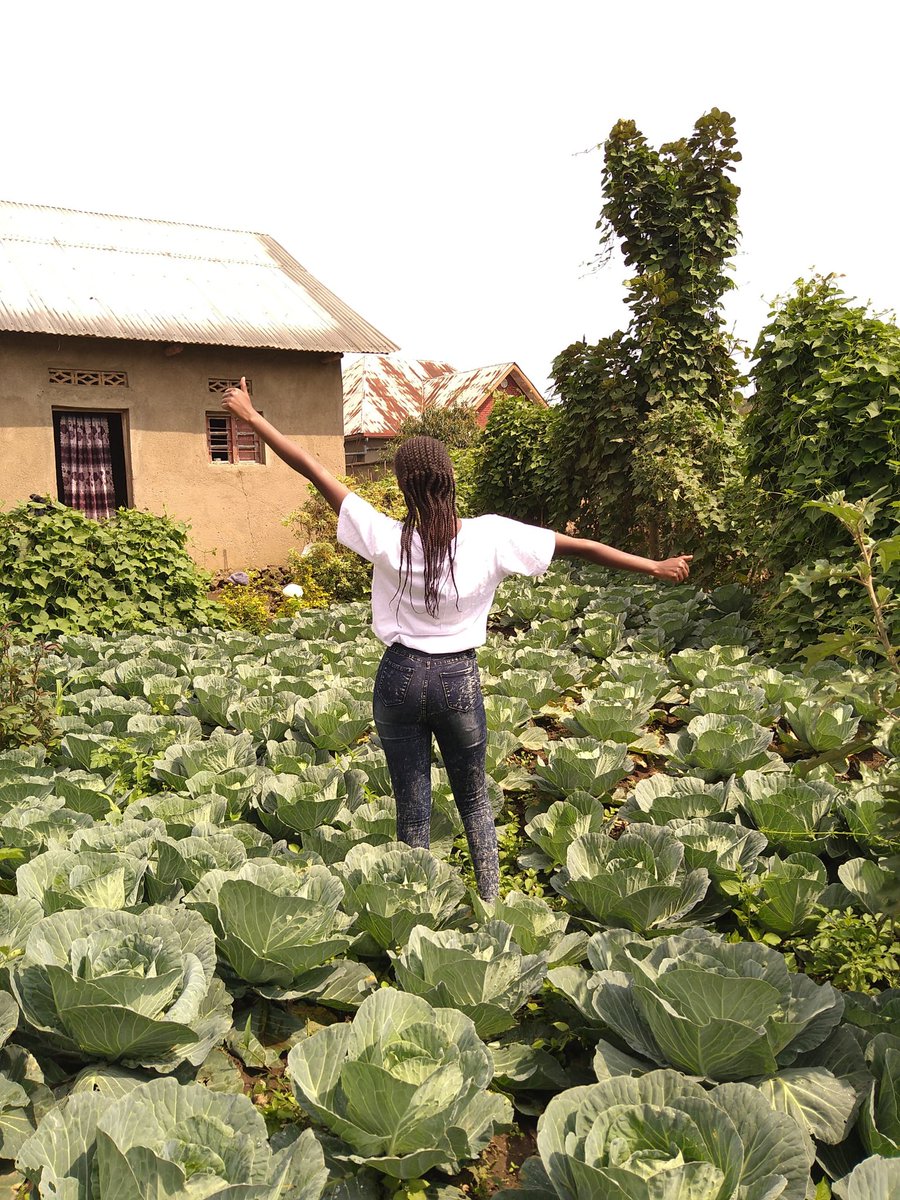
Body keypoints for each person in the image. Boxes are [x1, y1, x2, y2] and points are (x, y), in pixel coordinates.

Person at [222, 379, 691, 900]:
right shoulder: (490, 535)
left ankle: (415, 910)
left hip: (398, 678)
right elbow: (577, 547)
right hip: (456, 680)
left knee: (413, 808)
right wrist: (653, 564)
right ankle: (489, 902)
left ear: (402, 486)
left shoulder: (382, 535)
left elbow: (312, 466)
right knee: (474, 801)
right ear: (449, 480)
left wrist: (251, 417)